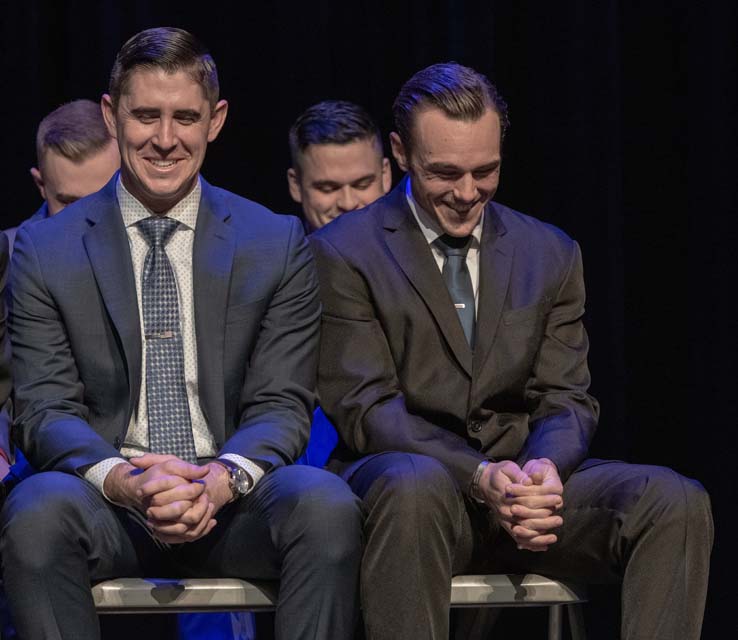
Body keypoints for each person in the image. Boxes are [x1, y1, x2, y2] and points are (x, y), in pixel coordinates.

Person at [310, 62, 713, 640]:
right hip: (418, 492)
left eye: (486, 170)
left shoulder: (549, 252)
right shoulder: (343, 252)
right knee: (413, 487)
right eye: (445, 173)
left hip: (524, 490)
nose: (467, 193)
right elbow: (367, 410)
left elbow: (566, 397)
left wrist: (543, 471)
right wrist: (480, 476)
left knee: (673, 500)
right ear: (400, 152)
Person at [0, 27, 362, 640]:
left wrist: (219, 481)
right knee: (34, 515)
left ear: (215, 121)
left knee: (325, 507)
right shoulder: (43, 249)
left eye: (184, 117)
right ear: (113, 116)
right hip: (108, 499)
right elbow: (43, 409)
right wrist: (127, 480)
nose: (165, 140)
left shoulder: (273, 243)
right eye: (146, 116)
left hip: (232, 501)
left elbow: (281, 404)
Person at [5, 99, 120, 252]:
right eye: (70, 204)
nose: (88, 224)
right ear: (41, 185)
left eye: (101, 199)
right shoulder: (8, 265)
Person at [287, 99, 391, 233]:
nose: (348, 204)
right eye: (328, 188)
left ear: (385, 175)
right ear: (296, 185)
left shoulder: (418, 248)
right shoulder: (270, 252)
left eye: (362, 185)